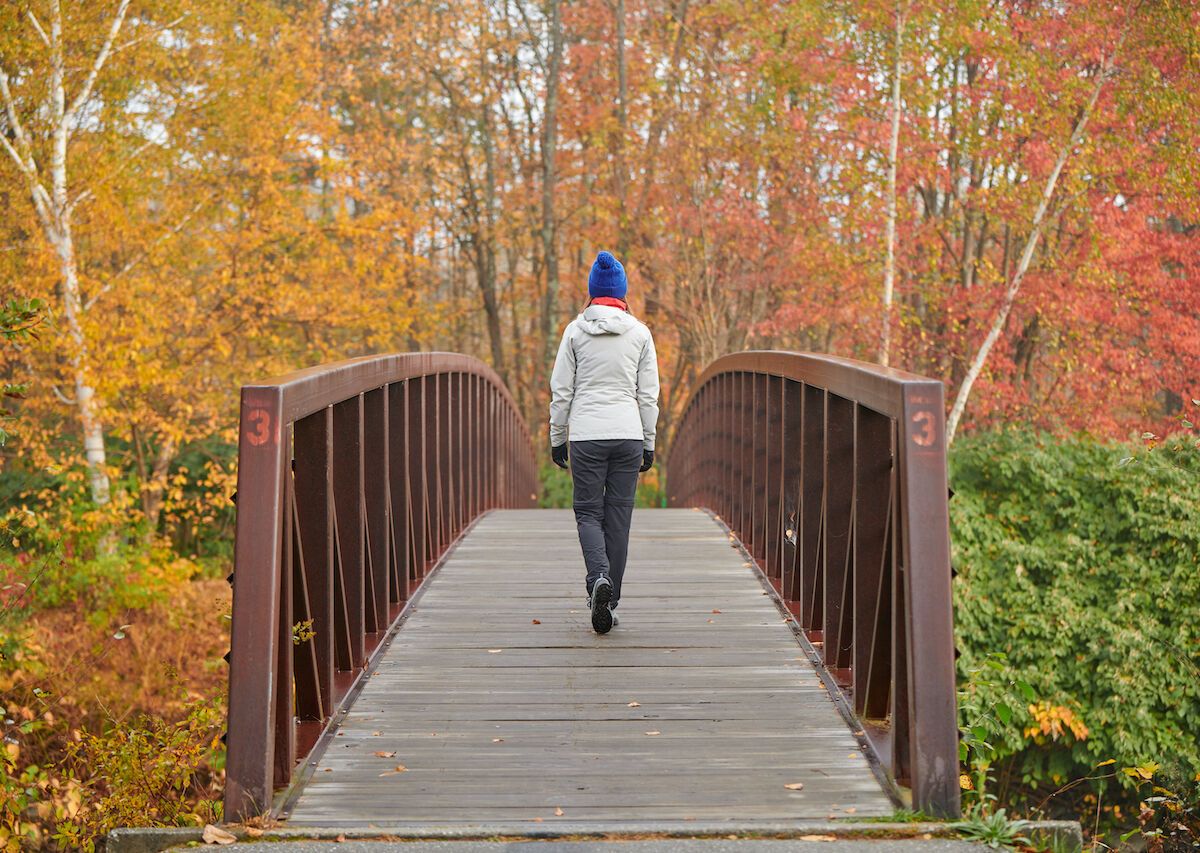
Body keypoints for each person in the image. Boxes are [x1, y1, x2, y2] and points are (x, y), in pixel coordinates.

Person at [549, 251, 659, 635]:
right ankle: (609, 603)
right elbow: (648, 395)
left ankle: (598, 578)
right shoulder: (641, 333)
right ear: (622, 293)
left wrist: (557, 437)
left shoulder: (575, 331)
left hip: (587, 436)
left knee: (588, 513)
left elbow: (562, 390)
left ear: (592, 293)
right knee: (619, 519)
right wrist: (648, 442)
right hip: (628, 434)